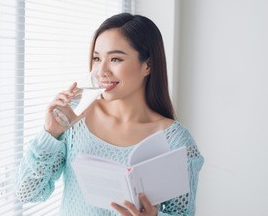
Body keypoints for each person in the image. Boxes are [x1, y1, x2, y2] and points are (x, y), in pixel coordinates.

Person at [15, 13, 204, 215]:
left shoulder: (176, 142)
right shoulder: (75, 117)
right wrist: (51, 133)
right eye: (97, 58)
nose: (101, 70)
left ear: (147, 65)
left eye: (115, 59)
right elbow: (27, 193)